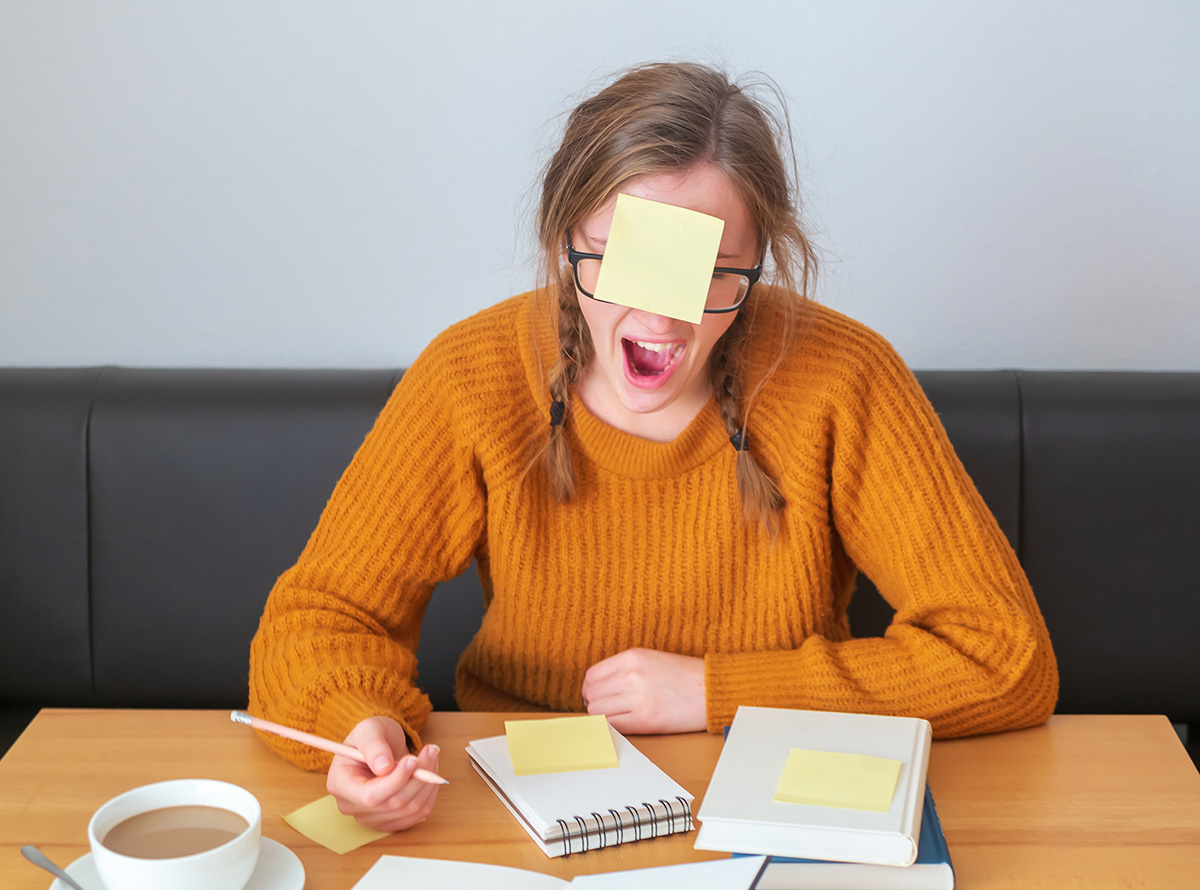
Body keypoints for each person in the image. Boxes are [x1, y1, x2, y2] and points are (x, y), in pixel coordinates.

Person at [248, 61, 1058, 832]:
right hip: (520, 801)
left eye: (707, 271)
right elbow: (323, 618)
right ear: (567, 241)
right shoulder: (474, 376)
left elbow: (1004, 657)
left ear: (757, 261)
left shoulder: (843, 378)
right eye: (623, 260)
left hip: (777, 796)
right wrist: (358, 725)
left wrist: (716, 690)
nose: (662, 320)